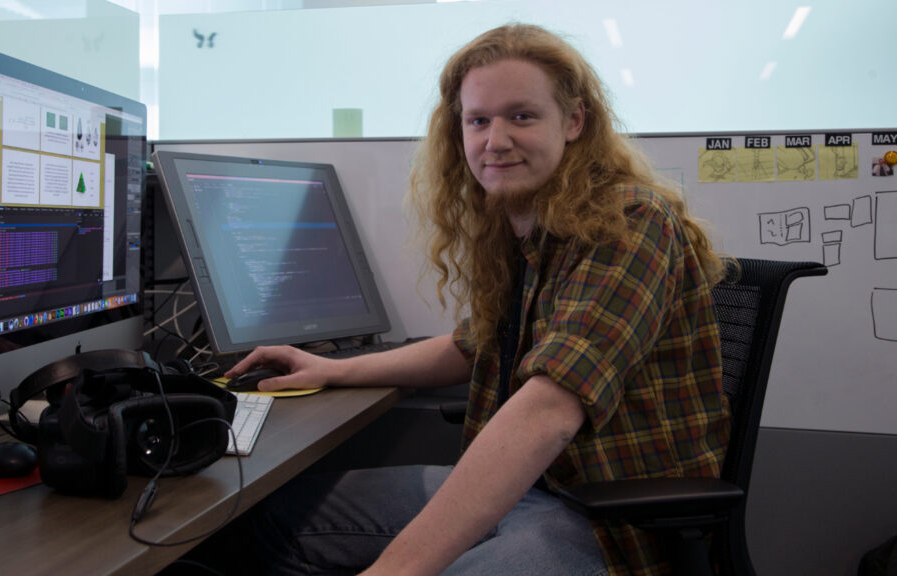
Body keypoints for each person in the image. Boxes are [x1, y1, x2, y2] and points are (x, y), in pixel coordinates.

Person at [225, 23, 731, 576]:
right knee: (268, 520)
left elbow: (549, 409)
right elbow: (476, 343)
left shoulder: (628, 222)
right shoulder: (526, 224)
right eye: (478, 120)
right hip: (531, 490)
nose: (495, 140)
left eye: (522, 116)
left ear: (575, 121)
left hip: (604, 517)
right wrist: (333, 368)